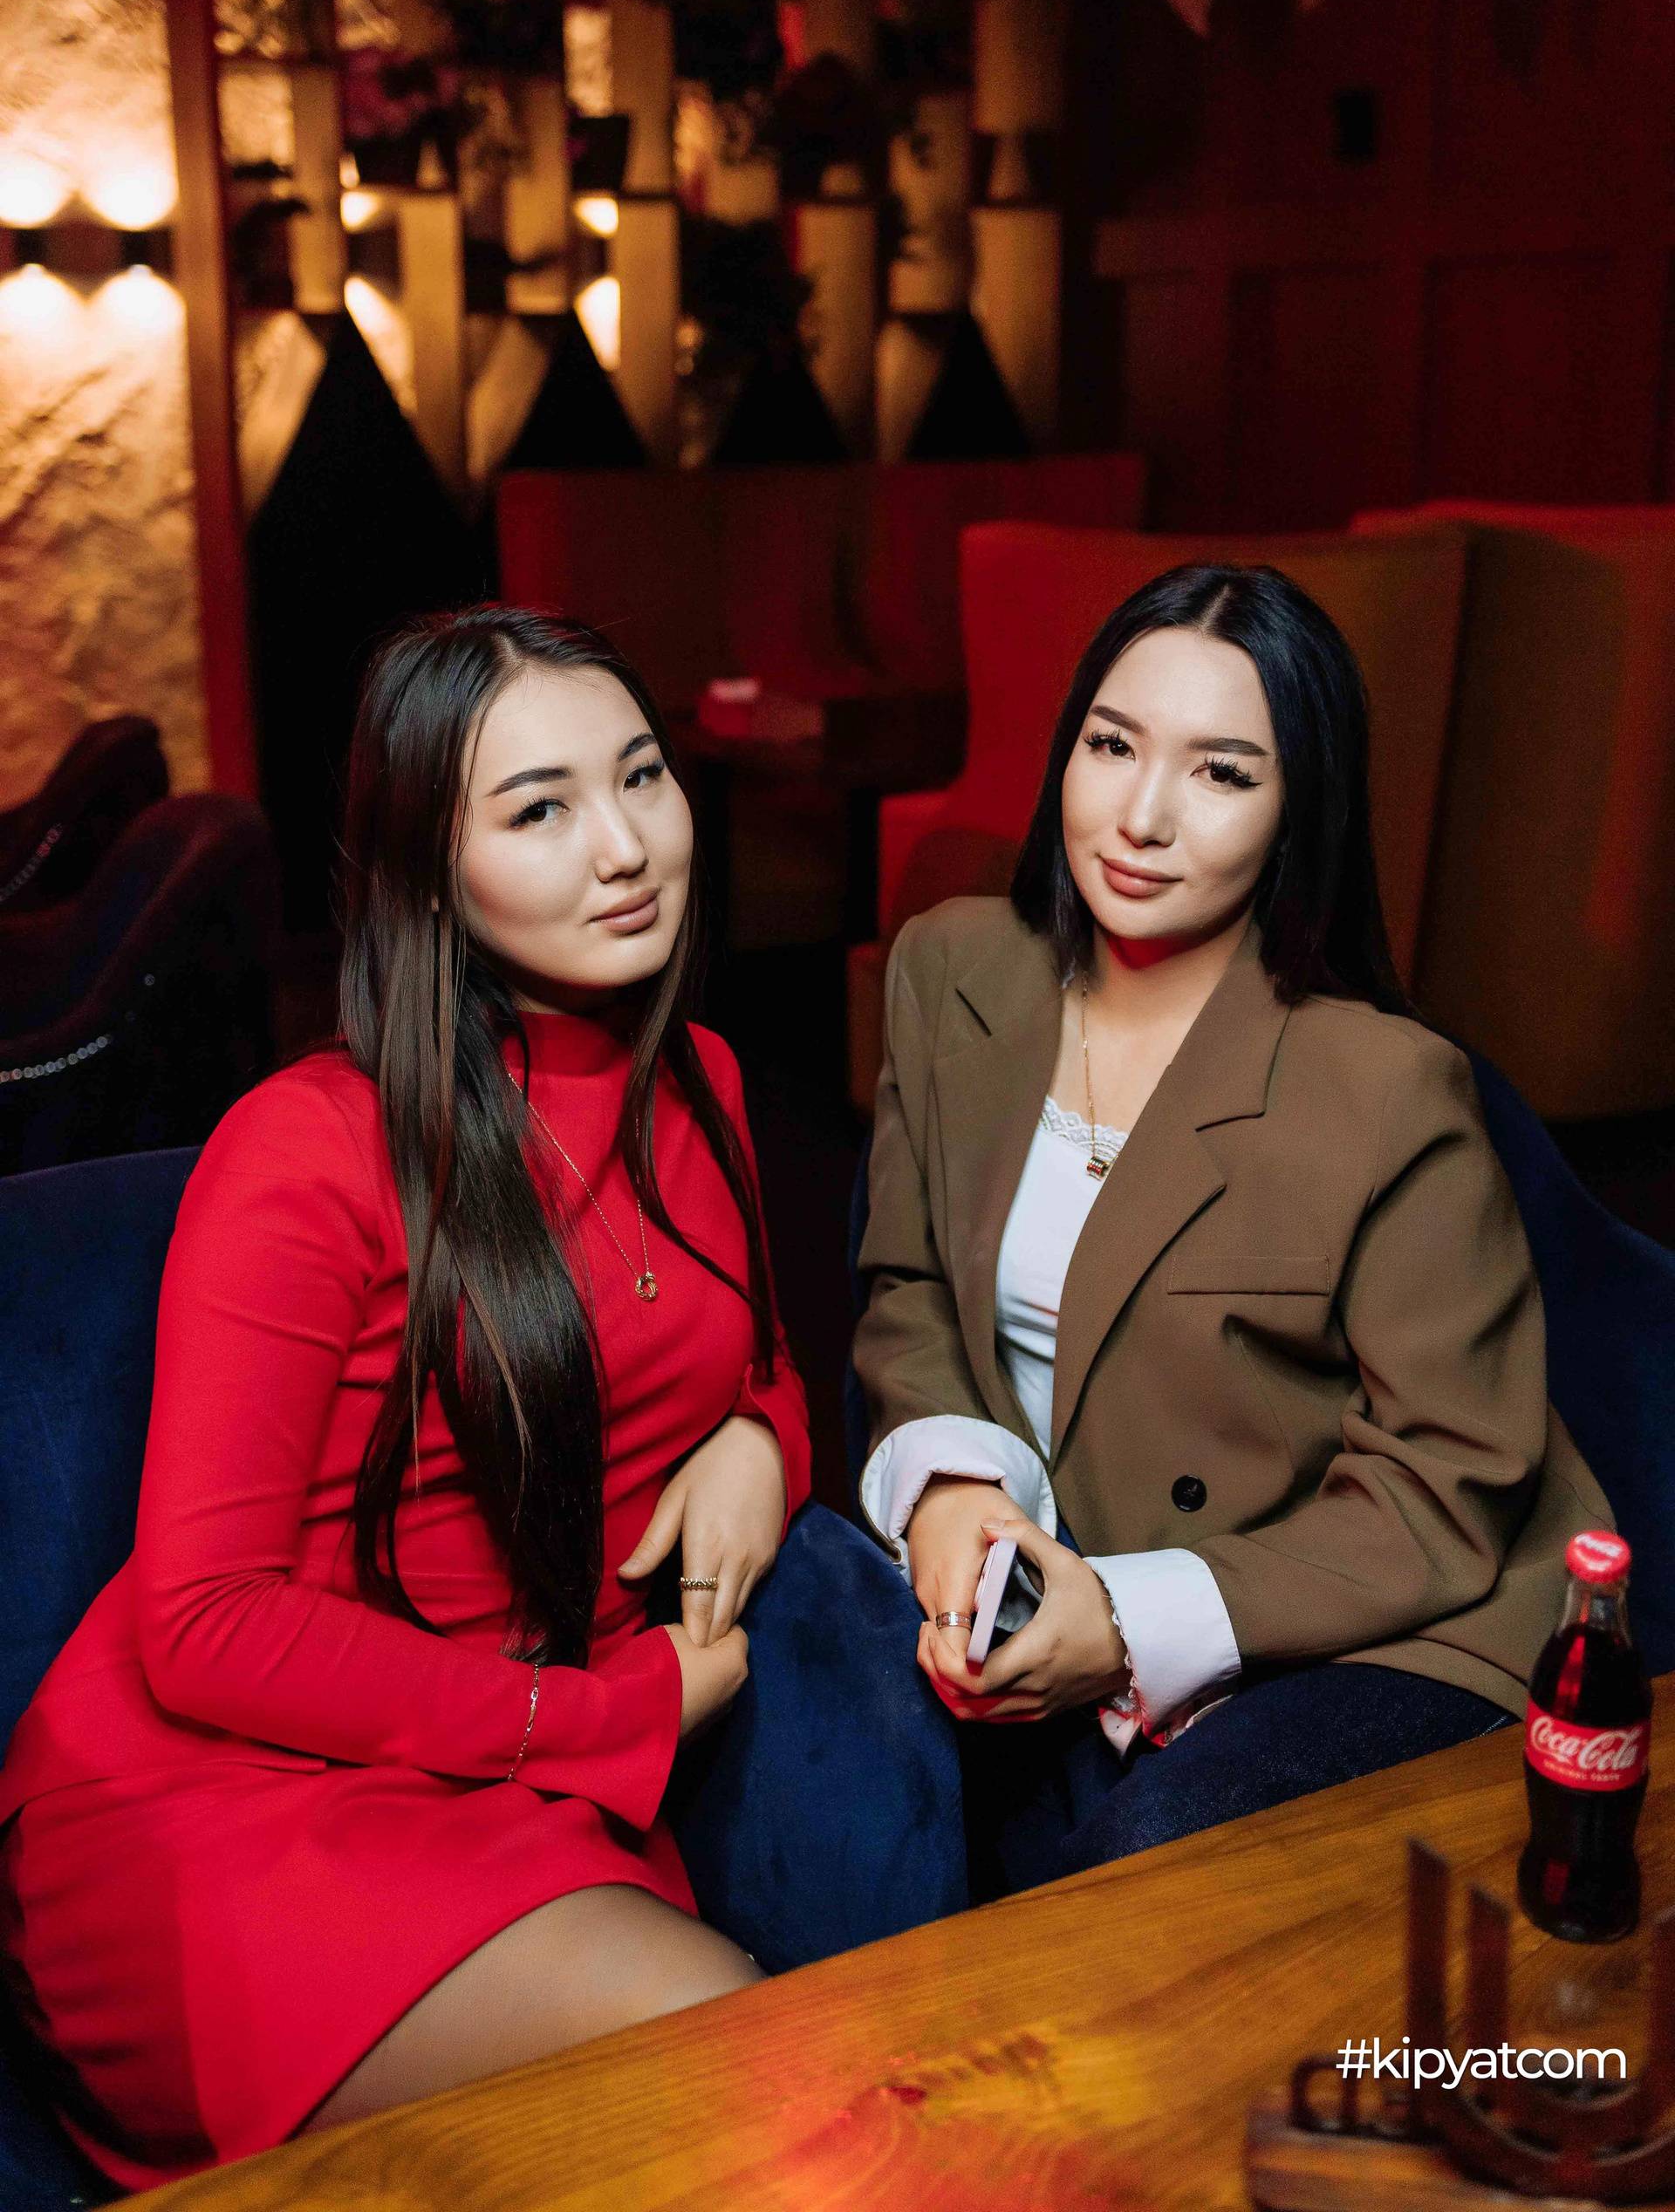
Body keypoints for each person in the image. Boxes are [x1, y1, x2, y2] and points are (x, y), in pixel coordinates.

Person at [0, 609, 823, 2186]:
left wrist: (761, 1443)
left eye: (641, 776)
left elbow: (750, 1353)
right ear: (430, 879)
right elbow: (206, 1623)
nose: (624, 847)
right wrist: (602, 1716)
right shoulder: (312, 1150)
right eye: (539, 809)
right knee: (747, 2082)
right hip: (233, 1798)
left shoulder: (706, 1080)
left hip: (505, 1785)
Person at [852, 562, 1610, 1895]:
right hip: (1065, 1557)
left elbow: (1448, 1480)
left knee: (1128, 1890)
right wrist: (957, 1486)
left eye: (1221, 773)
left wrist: (1125, 1621)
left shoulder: (1383, 1090)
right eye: (1112, 745)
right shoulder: (950, 970)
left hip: (1379, 1612)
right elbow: (909, 1288)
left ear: (1296, 811)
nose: (1142, 816)